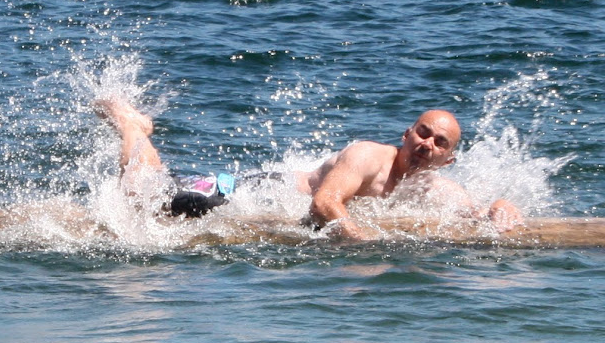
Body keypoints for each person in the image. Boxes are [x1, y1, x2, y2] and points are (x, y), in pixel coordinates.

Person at [95, 97, 522, 241]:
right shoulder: (369, 157)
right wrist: (360, 235)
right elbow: (324, 203)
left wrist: (501, 208)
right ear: (406, 134)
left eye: (440, 143)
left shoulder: (434, 188)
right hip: (254, 192)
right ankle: (133, 126)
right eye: (423, 133)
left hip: (275, 209)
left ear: (448, 159)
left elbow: (479, 214)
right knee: (143, 195)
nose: (428, 144)